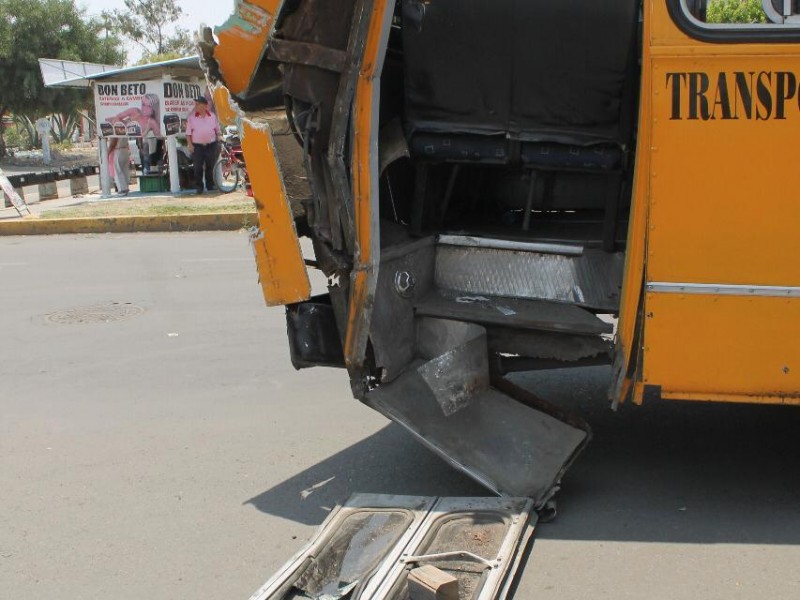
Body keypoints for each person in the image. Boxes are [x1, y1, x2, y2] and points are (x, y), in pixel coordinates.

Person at [185, 97, 222, 194]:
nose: (196, 106)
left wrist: (219, 137)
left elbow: (217, 130)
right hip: (197, 146)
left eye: (198, 104)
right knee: (198, 167)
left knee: (210, 165)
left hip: (211, 145)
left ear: (205, 105)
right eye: (196, 104)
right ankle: (199, 187)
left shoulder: (212, 116)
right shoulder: (192, 118)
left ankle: (210, 185)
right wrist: (190, 145)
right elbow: (188, 134)